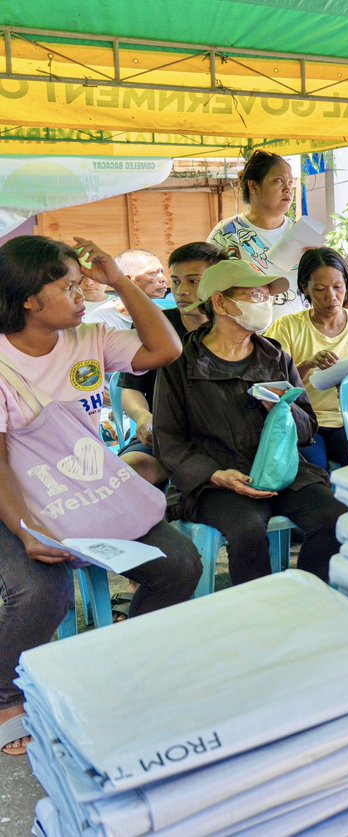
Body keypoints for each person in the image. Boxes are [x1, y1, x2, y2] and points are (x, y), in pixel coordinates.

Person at [0, 235, 201, 757]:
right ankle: (5, 696)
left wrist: (120, 281)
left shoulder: (90, 338)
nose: (81, 295)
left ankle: (123, 663)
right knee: (42, 591)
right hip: (16, 498)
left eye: (82, 284)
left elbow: (165, 350)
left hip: (88, 491)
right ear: (27, 299)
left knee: (178, 562)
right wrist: (23, 529)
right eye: (68, 287)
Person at [154, 259, 348, 587]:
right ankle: (259, 614)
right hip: (214, 480)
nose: (266, 304)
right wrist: (214, 475)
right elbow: (167, 439)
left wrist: (281, 408)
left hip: (280, 471)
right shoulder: (181, 364)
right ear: (220, 302)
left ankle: (307, 598)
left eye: (267, 297)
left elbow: (306, 430)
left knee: (335, 518)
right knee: (247, 530)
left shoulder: (274, 356)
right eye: (255, 296)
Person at [264, 248, 348, 467]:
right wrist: (307, 365)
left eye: (338, 287)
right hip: (305, 420)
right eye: (320, 289)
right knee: (312, 473)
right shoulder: (286, 328)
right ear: (305, 288)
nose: (331, 297)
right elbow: (275, 389)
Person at [116, 242, 221, 485]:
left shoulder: (234, 329)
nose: (181, 290)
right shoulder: (155, 325)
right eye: (175, 281)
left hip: (220, 442)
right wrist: (143, 417)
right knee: (125, 475)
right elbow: (131, 387)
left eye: (193, 281)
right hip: (161, 437)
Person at [208, 150, 305, 318]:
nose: (288, 189)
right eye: (279, 181)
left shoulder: (301, 232)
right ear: (253, 186)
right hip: (247, 338)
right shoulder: (226, 233)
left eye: (290, 182)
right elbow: (208, 285)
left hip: (297, 338)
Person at [83, 249, 170, 328]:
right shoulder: (97, 322)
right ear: (128, 280)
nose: (163, 279)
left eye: (162, 271)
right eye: (152, 273)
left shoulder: (164, 315)